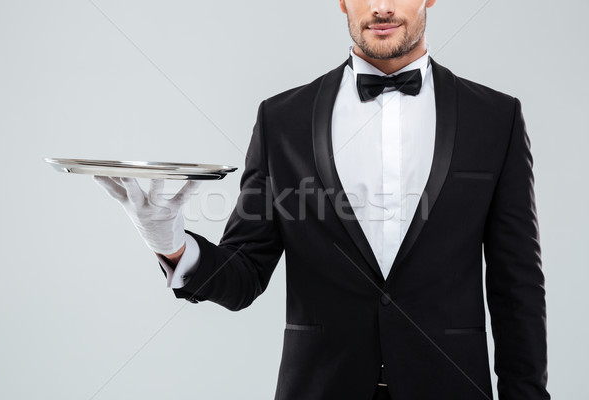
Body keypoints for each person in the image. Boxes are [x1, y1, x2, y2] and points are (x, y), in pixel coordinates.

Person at [95, 0, 550, 399]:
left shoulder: (496, 117)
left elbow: (518, 288)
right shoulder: (281, 119)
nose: (381, 7)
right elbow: (245, 274)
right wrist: (170, 241)